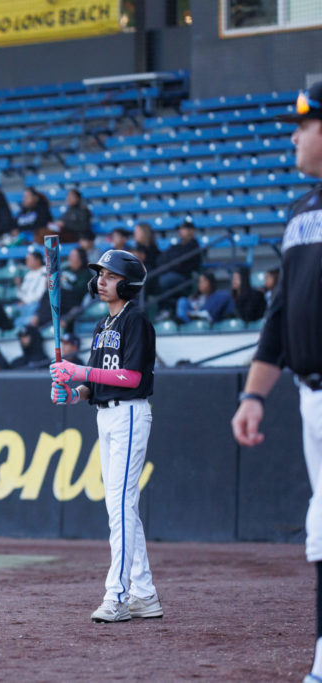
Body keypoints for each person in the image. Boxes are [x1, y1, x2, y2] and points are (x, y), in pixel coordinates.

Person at [230, 83, 322, 683]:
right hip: (311, 395)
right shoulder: (299, 213)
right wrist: (253, 393)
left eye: (306, 124)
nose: (294, 134)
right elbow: (280, 316)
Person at [48, 249, 160, 623]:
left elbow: (132, 378)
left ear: (127, 283)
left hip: (130, 414)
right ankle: (144, 594)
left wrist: (78, 371)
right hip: (106, 415)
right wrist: (72, 394)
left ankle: (117, 595)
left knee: (121, 507)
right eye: (100, 274)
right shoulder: (102, 328)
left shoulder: (136, 321)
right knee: (120, 508)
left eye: (110, 276)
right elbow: (94, 387)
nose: (101, 280)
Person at [156, 217, 202, 308]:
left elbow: (183, 263)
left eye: (183, 228)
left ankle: (165, 309)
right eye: (180, 229)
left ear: (191, 231)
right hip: (170, 273)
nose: (180, 231)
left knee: (163, 281)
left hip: (185, 276)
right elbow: (160, 259)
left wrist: (172, 263)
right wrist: (172, 263)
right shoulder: (176, 246)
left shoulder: (194, 246)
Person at [14, 251, 46, 329]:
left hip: (37, 304)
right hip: (26, 304)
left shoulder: (45, 271)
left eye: (29, 260)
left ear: (38, 261)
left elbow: (40, 294)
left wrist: (25, 301)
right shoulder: (28, 274)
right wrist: (18, 286)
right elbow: (22, 294)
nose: (26, 262)